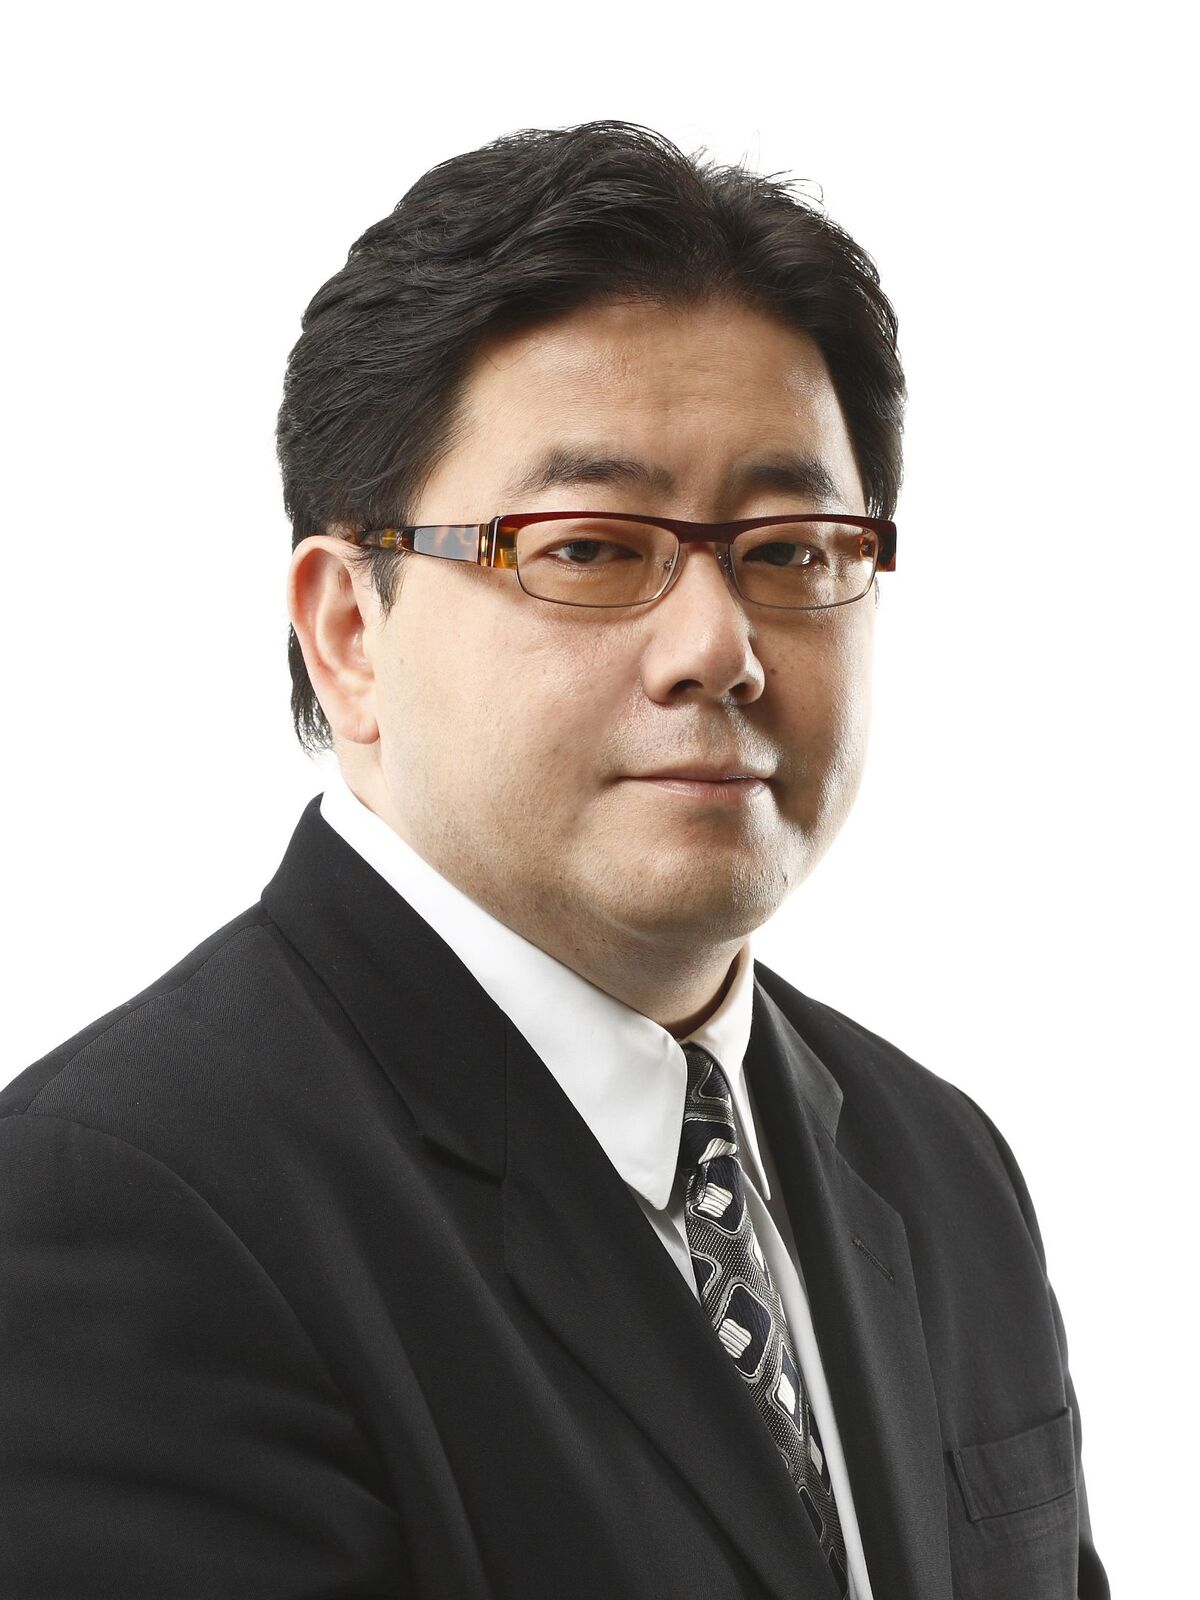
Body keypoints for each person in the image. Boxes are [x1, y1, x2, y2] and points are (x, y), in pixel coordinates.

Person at [0, 121, 1107, 1599]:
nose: (718, 648)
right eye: (588, 548)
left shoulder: (942, 1165)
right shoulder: (120, 1210)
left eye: (792, 550)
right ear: (349, 632)